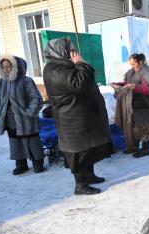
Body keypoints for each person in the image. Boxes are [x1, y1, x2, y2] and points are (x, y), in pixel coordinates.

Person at [43, 37, 112, 195]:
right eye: (70, 49)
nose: (74, 52)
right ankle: (80, 185)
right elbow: (82, 83)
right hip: (72, 119)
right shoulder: (56, 70)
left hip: (80, 116)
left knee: (88, 148)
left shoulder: (63, 66)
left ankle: (89, 175)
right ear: (61, 51)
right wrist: (81, 64)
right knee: (79, 152)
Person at [0, 54, 45, 175]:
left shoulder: (26, 81)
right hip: (9, 117)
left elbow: (36, 98)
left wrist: (29, 112)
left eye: (8, 66)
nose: (6, 69)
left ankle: (38, 162)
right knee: (15, 141)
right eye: (4, 67)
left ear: (16, 66)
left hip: (26, 118)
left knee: (32, 140)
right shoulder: (2, 82)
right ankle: (20, 163)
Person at [127, 53, 149, 158]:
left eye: (134, 64)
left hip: (146, 106)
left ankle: (145, 149)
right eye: (131, 64)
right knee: (136, 128)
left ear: (140, 62)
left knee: (145, 129)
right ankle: (135, 147)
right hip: (137, 105)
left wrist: (135, 88)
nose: (132, 67)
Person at [113, 55, 137, 154]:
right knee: (129, 125)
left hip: (137, 104)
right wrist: (121, 84)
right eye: (130, 63)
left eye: (134, 63)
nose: (132, 65)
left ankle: (137, 148)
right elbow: (128, 83)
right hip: (129, 102)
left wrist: (130, 86)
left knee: (131, 125)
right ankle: (132, 146)